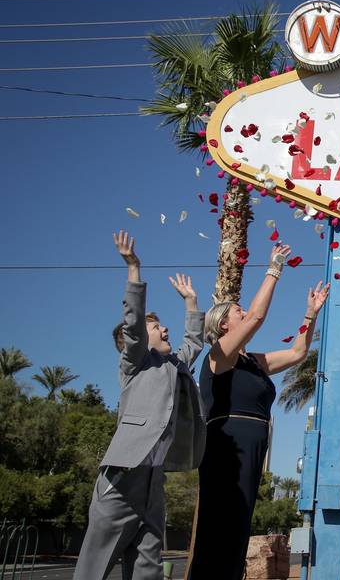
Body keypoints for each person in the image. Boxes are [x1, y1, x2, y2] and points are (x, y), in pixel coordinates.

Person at [186, 244, 329, 580]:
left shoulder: (254, 362)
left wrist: (310, 314)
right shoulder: (217, 357)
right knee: (220, 522)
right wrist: (274, 269)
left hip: (254, 445)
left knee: (238, 523)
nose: (243, 312)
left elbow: (296, 353)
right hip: (227, 446)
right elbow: (256, 317)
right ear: (223, 325)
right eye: (236, 310)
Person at [74, 231, 206, 580]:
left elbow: (194, 342)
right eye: (157, 327)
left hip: (153, 483)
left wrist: (191, 303)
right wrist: (134, 267)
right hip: (121, 479)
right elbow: (133, 323)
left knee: (147, 569)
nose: (165, 330)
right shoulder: (134, 363)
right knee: (94, 568)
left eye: (162, 325)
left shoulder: (175, 366)